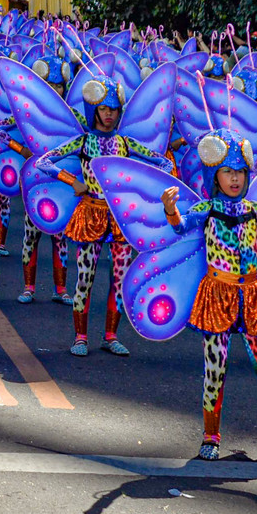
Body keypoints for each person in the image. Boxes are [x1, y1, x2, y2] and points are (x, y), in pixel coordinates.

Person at [162, 129, 257, 462]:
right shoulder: (206, 209)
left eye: (240, 172)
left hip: (253, 295)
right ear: (214, 176)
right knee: (216, 369)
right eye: (228, 172)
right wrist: (171, 209)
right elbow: (180, 226)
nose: (235, 178)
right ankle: (211, 437)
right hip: (218, 294)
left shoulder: (255, 210)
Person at [32, 76, 170, 357]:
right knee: (85, 279)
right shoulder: (83, 141)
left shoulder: (125, 143)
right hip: (91, 215)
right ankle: (80, 337)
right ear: (93, 110)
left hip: (121, 220)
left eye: (115, 109)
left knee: (119, 280)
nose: (109, 114)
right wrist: (73, 182)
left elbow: (164, 162)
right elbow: (43, 161)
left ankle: (111, 336)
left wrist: (140, 189)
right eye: (104, 109)